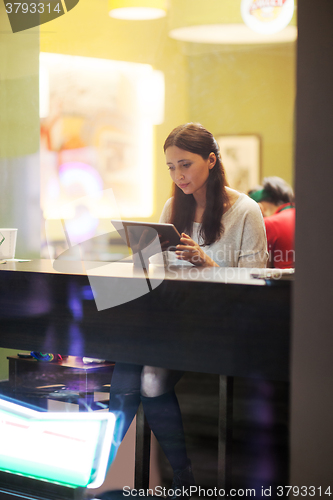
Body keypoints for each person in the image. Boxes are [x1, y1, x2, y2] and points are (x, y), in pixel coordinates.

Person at [109, 123, 267, 498]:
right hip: (175, 319)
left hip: (222, 323)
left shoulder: (246, 211)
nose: (178, 176)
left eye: (185, 164)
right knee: (128, 365)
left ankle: (169, 473)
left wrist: (206, 263)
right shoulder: (172, 208)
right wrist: (144, 257)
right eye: (170, 167)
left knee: (149, 375)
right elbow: (162, 273)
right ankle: (170, 477)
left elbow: (255, 286)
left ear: (211, 161)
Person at [248, 177, 295, 268]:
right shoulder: (305, 217)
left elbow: (260, 267)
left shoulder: (269, 223)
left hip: (283, 281)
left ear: (260, 206)